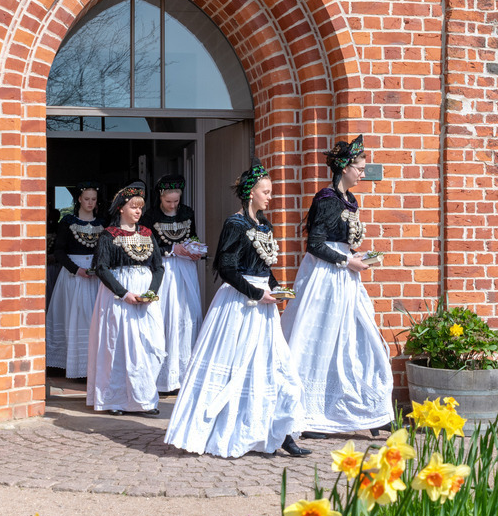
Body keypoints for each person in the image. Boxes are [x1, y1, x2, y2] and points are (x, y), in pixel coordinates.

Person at [164, 161, 310, 458]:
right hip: (239, 305)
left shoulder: (265, 225)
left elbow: (265, 267)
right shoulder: (235, 224)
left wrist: (277, 288)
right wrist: (257, 293)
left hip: (264, 304)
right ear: (251, 193)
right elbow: (226, 268)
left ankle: (279, 432)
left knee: (277, 368)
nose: (270, 197)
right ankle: (226, 430)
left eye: (270, 192)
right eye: (265, 192)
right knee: (236, 367)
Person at [281, 135, 395, 437]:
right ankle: (311, 413)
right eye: (359, 167)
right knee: (318, 340)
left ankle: (371, 409)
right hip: (325, 278)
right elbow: (315, 245)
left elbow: (343, 242)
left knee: (363, 337)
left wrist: (358, 257)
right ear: (344, 168)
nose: (362, 172)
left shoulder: (349, 200)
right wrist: (347, 261)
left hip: (346, 277)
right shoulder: (326, 199)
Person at [86, 182, 166, 416]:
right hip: (118, 296)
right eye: (133, 206)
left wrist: (151, 292)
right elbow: (101, 268)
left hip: (145, 297)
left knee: (150, 345)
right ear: (121, 208)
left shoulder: (147, 234)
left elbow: (159, 267)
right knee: (119, 345)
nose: (138, 211)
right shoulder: (108, 236)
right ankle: (116, 400)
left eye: (140, 207)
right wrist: (123, 293)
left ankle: (145, 399)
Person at [140, 174, 204, 393]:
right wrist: (171, 250)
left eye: (176, 201)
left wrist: (195, 248)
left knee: (187, 315)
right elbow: (146, 246)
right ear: (161, 197)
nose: (173, 205)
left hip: (186, 267)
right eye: (169, 201)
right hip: (164, 269)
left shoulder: (187, 212)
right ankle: (163, 377)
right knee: (167, 315)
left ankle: (184, 376)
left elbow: (192, 235)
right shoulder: (150, 216)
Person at [45, 183, 104, 378]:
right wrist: (76, 270)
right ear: (79, 199)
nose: (90, 203)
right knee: (72, 316)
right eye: (86, 199)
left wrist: (98, 267)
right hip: (72, 275)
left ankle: (91, 366)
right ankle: (68, 365)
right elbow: (59, 251)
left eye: (93, 199)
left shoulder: (101, 222)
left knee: (92, 318)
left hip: (94, 275)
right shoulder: (67, 222)